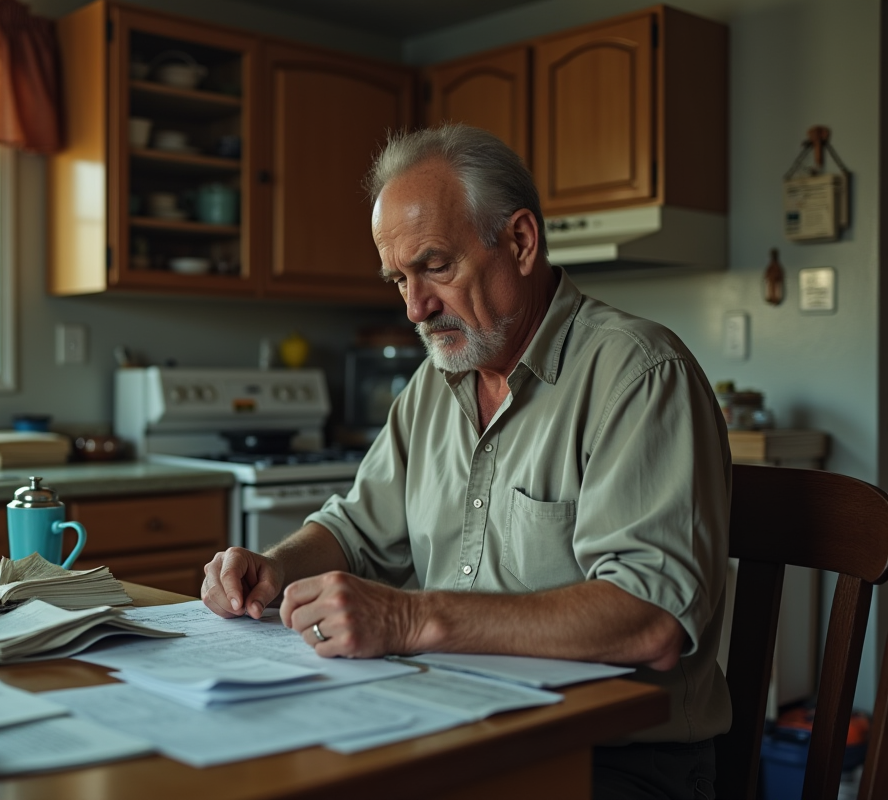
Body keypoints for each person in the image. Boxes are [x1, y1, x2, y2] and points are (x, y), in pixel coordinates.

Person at [200, 124, 731, 800]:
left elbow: (649, 617)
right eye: (399, 279)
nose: (415, 308)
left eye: (435, 266)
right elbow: (355, 531)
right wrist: (276, 566)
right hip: (453, 724)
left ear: (521, 242)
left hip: (610, 759)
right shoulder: (434, 384)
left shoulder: (638, 374)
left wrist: (411, 619)